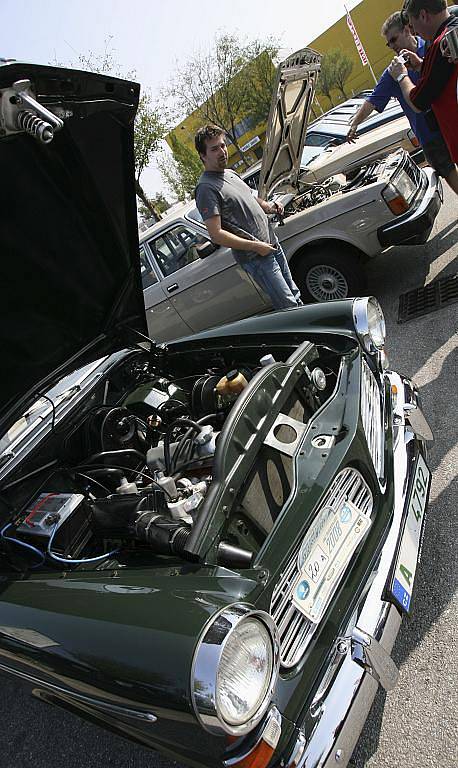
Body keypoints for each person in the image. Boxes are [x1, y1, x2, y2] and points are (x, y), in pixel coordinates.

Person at [347, 11, 458, 193]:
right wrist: (354, 124)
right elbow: (372, 101)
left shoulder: (433, 45)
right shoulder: (393, 71)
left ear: (407, 30)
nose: (391, 46)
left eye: (394, 39)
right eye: (388, 43)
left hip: (450, 121)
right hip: (429, 134)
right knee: (448, 170)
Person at [194, 124, 303, 310]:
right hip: (256, 256)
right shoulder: (205, 188)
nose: (222, 152)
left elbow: (251, 198)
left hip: (271, 244)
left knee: (295, 295)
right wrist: (256, 247)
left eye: (223, 145)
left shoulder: (230, 174)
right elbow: (216, 234)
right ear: (203, 156)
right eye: (214, 149)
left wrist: (269, 207)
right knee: (288, 305)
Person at [388, 0, 458, 190]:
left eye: (412, 23)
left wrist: (401, 75)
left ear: (424, 15)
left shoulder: (440, 43)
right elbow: (442, 76)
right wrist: (421, 65)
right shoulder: (452, 31)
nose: (413, 30)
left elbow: (418, 101)